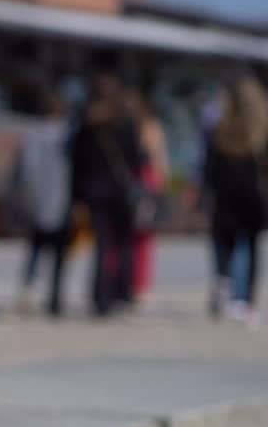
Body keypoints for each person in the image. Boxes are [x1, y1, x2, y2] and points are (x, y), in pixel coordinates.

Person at [71, 67, 144, 318]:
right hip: (120, 190)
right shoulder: (125, 121)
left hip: (94, 191)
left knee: (102, 245)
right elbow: (136, 159)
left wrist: (76, 196)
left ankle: (100, 297)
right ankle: (121, 291)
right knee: (123, 243)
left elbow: (76, 161)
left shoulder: (86, 122)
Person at [203, 74, 268, 326]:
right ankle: (245, 301)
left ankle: (224, 278)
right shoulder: (260, 130)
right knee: (251, 248)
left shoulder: (219, 127)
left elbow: (209, 166)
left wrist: (205, 191)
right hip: (252, 195)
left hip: (225, 195)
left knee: (223, 241)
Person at [9, 85, 72, 317]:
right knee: (58, 253)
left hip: (36, 201)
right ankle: (55, 297)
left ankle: (27, 289)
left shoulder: (30, 134)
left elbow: (23, 170)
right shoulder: (67, 133)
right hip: (62, 200)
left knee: (35, 249)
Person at [128, 90, 170, 304]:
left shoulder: (129, 127)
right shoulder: (152, 128)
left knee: (129, 235)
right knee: (144, 238)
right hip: (148, 181)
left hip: (133, 181)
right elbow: (159, 158)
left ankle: (130, 281)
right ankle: (140, 284)